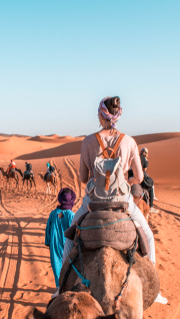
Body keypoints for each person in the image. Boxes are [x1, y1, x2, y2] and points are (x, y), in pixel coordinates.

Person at [61, 96, 166, 304]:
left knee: (68, 240)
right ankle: (154, 292)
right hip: (123, 203)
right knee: (148, 236)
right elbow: (140, 177)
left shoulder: (88, 141)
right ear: (118, 116)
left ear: (101, 115)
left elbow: (83, 178)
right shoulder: (129, 142)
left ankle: (60, 288)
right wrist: (125, 178)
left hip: (92, 203)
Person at [45, 187, 76, 297]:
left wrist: (48, 242)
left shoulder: (53, 214)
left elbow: (48, 229)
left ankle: (59, 287)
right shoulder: (72, 215)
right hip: (69, 244)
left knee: (57, 264)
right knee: (68, 264)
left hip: (55, 243)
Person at [140, 148, 158, 213]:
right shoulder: (145, 160)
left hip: (132, 175)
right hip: (141, 176)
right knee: (151, 186)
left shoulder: (137, 157)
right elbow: (144, 170)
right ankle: (151, 207)